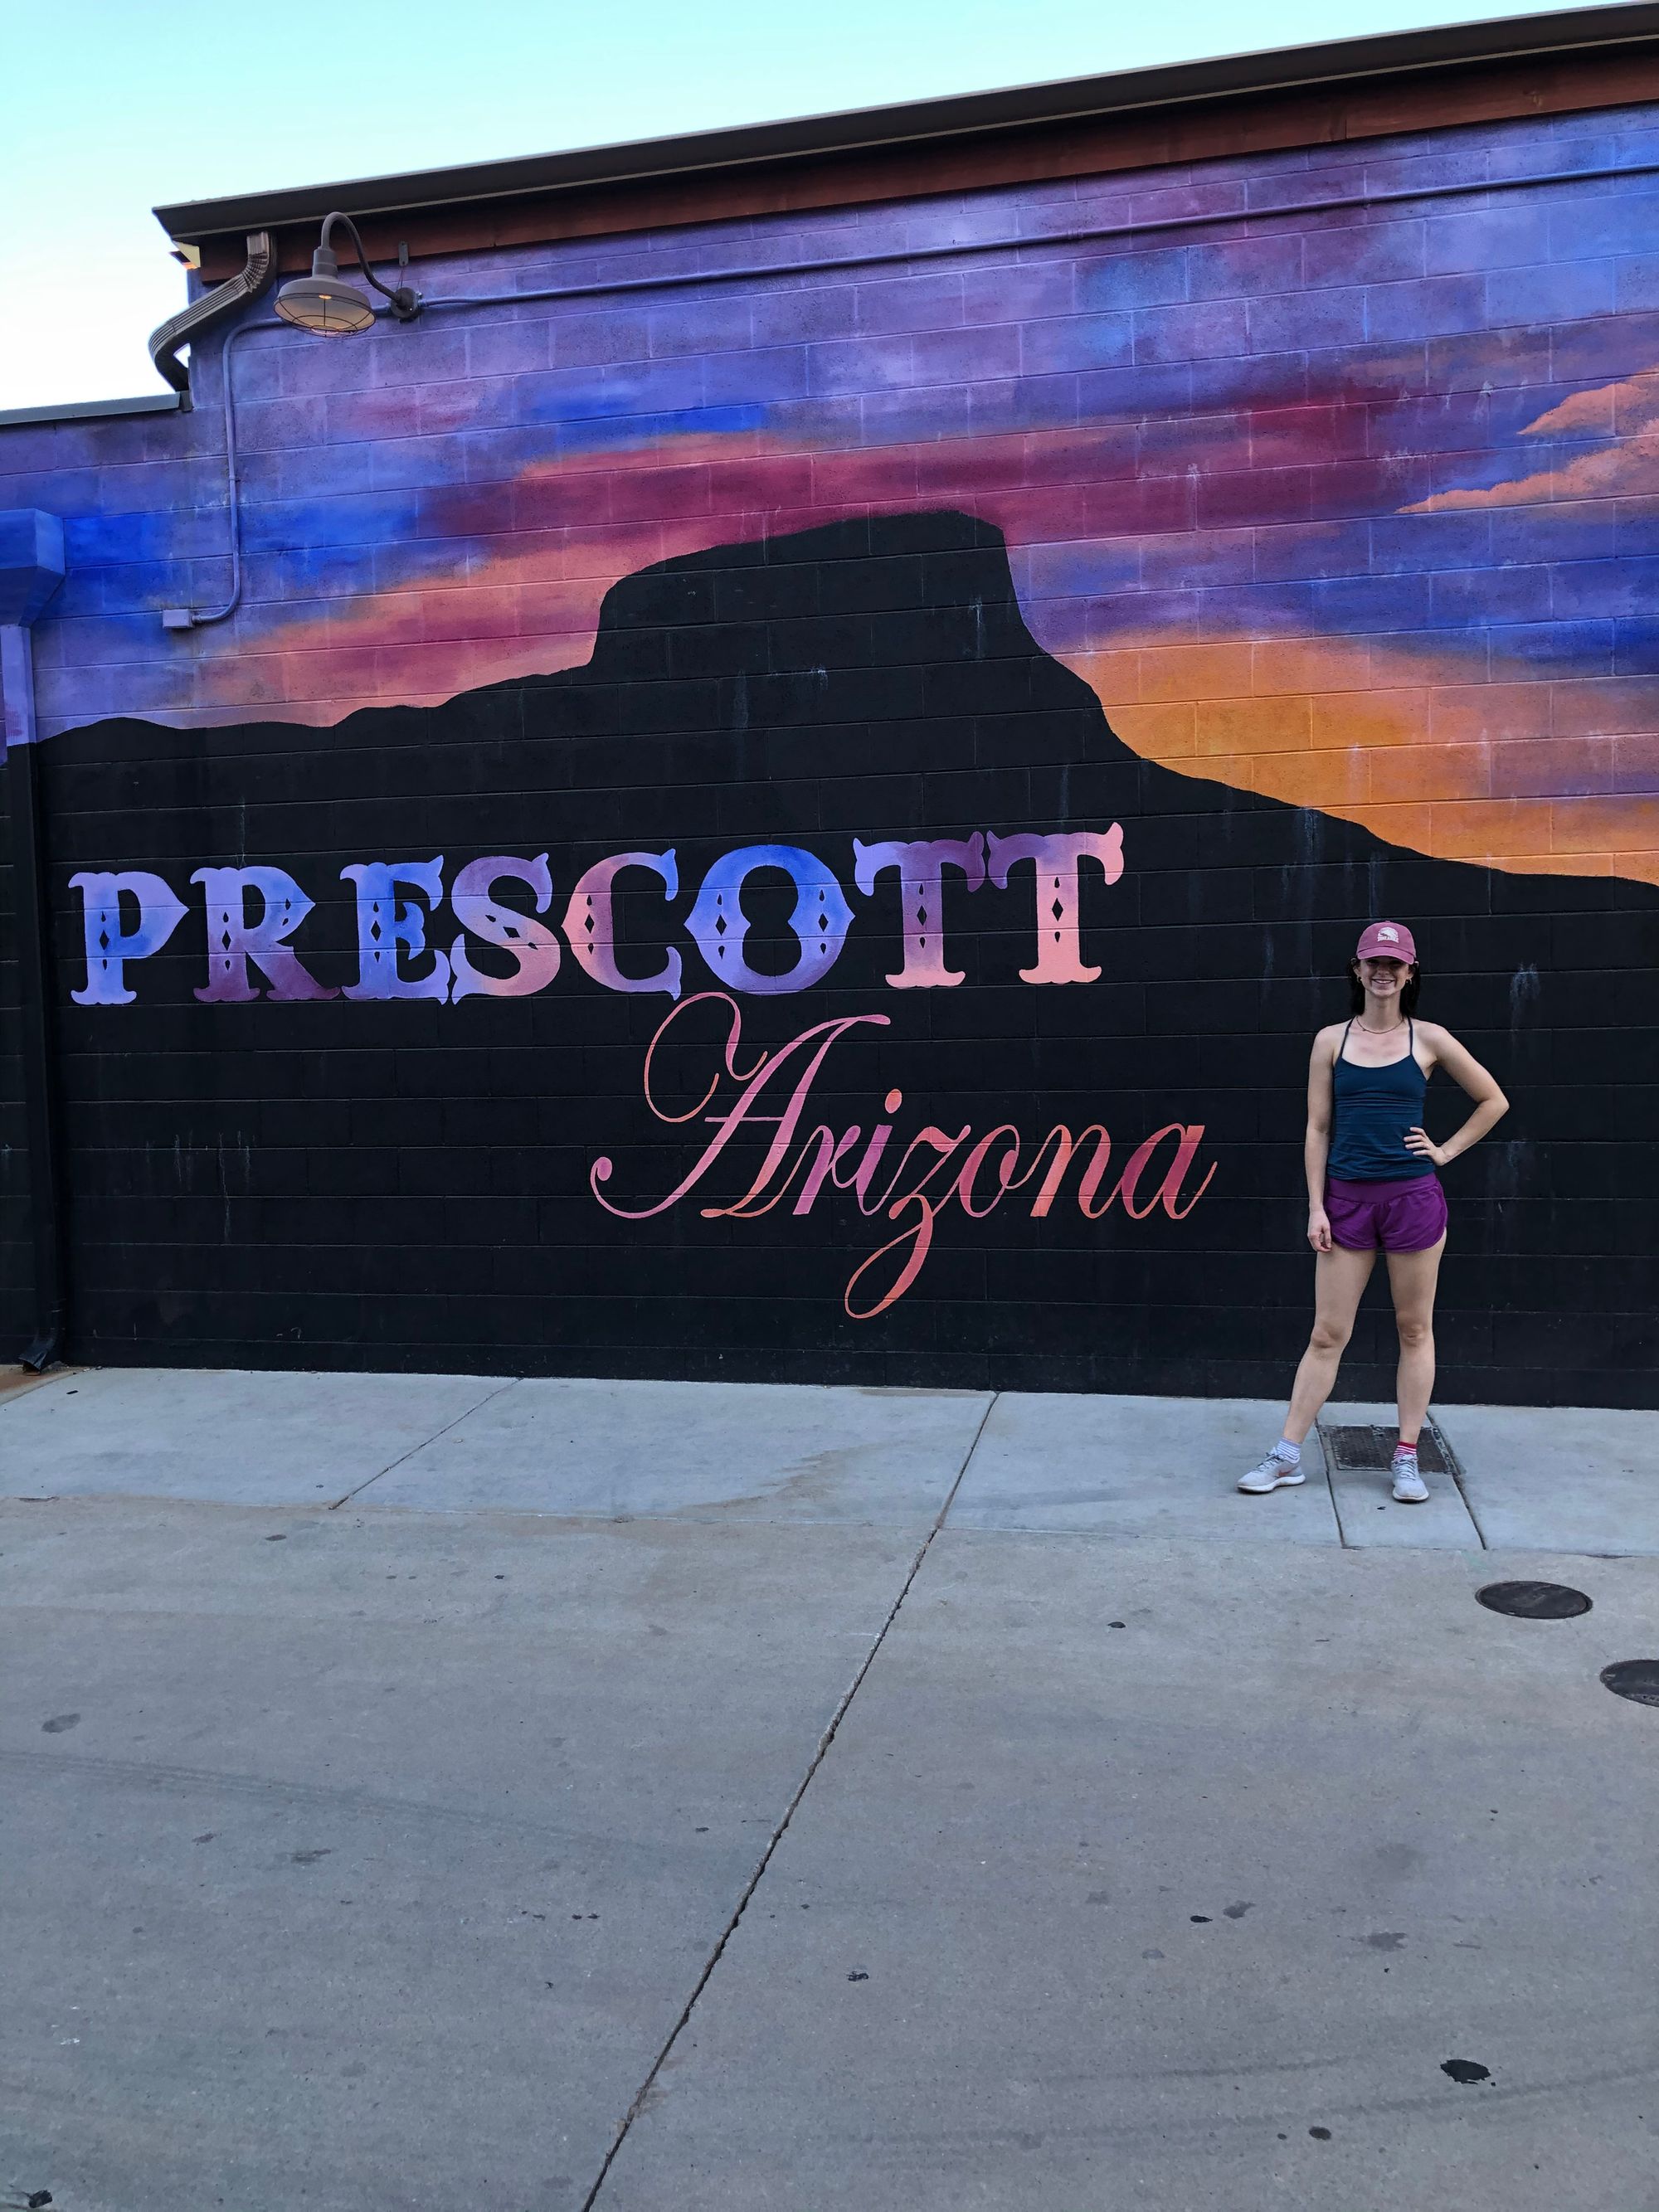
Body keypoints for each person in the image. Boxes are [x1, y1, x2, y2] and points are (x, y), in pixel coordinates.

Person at [1239, 921, 1508, 1504]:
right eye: (1374, 963)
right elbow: (1317, 1128)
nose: (1383, 972)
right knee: (1327, 1332)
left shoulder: (1429, 1039)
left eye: (1395, 964)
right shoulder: (1330, 1041)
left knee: (1414, 1328)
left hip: (1412, 1200)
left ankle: (1407, 1456)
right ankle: (1287, 1455)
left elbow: (1494, 1099)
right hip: (1346, 1202)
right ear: (1357, 970)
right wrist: (1316, 1206)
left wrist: (1445, 1151)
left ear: (1410, 973)